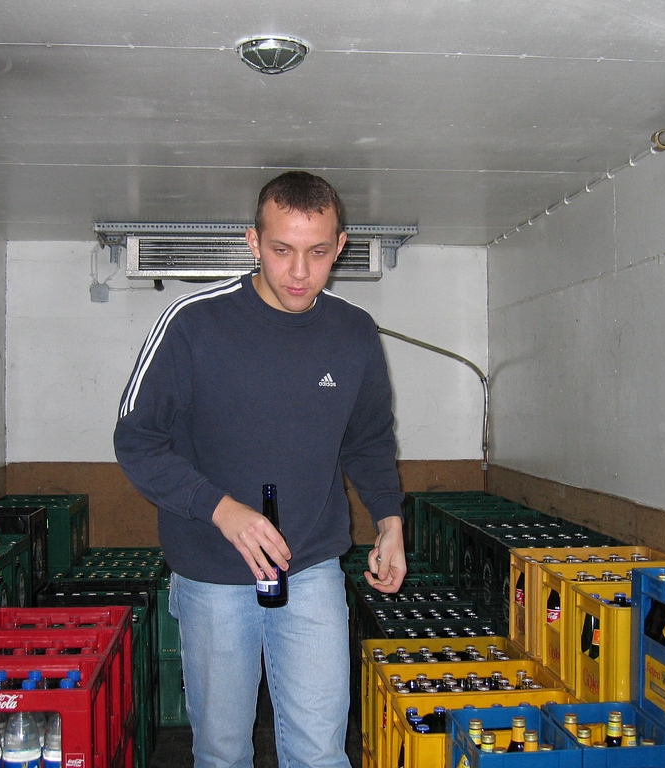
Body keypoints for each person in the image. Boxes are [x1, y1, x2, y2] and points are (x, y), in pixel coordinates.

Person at [113, 170, 407, 768]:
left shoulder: (353, 332)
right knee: (223, 752)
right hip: (213, 572)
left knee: (320, 752)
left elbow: (370, 439)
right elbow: (136, 440)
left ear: (340, 246)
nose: (299, 272)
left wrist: (389, 521)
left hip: (311, 566)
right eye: (281, 250)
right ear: (253, 242)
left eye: (317, 252)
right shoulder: (193, 323)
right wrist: (221, 510)